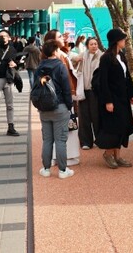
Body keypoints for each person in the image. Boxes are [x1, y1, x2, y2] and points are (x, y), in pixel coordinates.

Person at [96, 28, 133, 168]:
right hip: (112, 98)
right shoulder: (106, 58)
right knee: (113, 127)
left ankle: (118, 156)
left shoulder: (122, 55)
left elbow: (127, 76)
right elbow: (103, 81)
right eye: (122, 39)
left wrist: (132, 94)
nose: (124, 41)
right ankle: (108, 154)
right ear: (116, 41)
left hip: (123, 98)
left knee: (123, 126)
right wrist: (108, 101)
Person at [36, 39, 74, 179]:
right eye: (58, 49)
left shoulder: (40, 67)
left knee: (47, 140)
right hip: (60, 107)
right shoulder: (60, 66)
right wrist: (69, 106)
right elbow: (66, 89)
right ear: (54, 51)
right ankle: (63, 170)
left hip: (44, 108)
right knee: (60, 140)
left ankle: (46, 169)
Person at [44, 29, 80, 165]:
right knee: (66, 130)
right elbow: (66, 78)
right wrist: (71, 95)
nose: (63, 38)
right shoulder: (60, 57)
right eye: (60, 36)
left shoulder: (48, 57)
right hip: (64, 97)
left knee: (50, 134)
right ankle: (66, 159)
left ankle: (52, 160)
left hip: (50, 99)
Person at [70, 36, 101, 150]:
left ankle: (100, 139)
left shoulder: (101, 56)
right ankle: (86, 141)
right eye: (91, 44)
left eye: (95, 44)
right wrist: (76, 59)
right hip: (83, 90)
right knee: (83, 116)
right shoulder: (83, 56)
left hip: (96, 91)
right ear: (87, 46)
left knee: (97, 116)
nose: (94, 46)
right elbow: (71, 62)